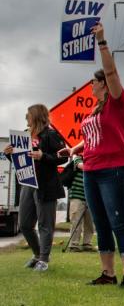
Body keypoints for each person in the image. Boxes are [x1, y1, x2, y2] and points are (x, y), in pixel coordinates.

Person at [62, 23, 124, 286]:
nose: (91, 86)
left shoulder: (117, 101)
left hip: (114, 170)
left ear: (103, 84)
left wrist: (101, 42)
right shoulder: (94, 111)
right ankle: (107, 272)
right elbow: (92, 138)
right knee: (102, 223)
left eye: (94, 82)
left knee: (118, 221)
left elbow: (111, 70)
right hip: (90, 171)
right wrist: (75, 149)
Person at [3, 104, 65, 272]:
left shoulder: (50, 135)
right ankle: (37, 255)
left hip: (45, 185)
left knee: (45, 224)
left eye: (28, 114)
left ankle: (44, 259)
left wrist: (43, 156)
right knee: (24, 224)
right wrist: (10, 154)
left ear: (37, 116)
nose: (26, 117)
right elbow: (21, 161)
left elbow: (63, 157)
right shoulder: (24, 135)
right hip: (27, 183)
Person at [66, 153, 95, 252]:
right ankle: (74, 245)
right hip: (77, 196)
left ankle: (87, 244)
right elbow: (82, 166)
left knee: (90, 222)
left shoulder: (94, 158)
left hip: (91, 196)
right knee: (76, 221)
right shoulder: (78, 158)